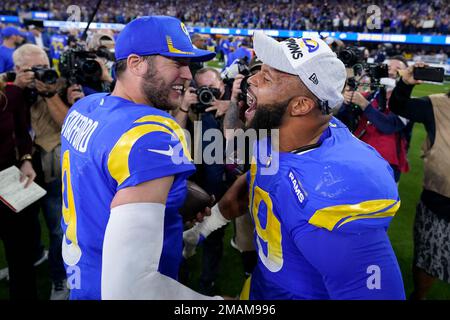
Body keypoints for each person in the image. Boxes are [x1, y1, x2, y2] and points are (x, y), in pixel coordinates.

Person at [183, 31, 405, 300]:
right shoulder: (279, 132)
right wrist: (203, 228)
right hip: (261, 286)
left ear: (300, 105)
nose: (251, 80)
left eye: (267, 77)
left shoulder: (335, 192)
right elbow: (258, 180)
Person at [60, 16, 222, 300]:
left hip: (84, 276)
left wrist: (164, 208)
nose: (188, 75)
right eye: (177, 62)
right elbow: (130, 289)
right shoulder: (150, 133)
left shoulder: (85, 106)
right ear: (136, 63)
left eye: (189, 65)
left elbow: (103, 186)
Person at [12, 43, 72, 300]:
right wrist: (16, 88)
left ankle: (59, 278)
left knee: (58, 227)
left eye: (45, 68)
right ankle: (35, 257)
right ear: (17, 69)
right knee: (21, 226)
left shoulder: (60, 85)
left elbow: (68, 125)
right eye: (32, 70)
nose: (40, 73)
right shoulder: (8, 89)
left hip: (51, 166)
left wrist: (50, 93)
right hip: (19, 167)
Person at [389, 62, 450, 300]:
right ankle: (419, 295)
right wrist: (405, 84)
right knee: (427, 258)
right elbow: (398, 106)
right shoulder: (436, 104)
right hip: (439, 202)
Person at [0, 74, 39, 300]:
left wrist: (26, 159)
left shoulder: (10, 94)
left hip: (8, 178)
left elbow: (23, 131)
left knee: (21, 255)